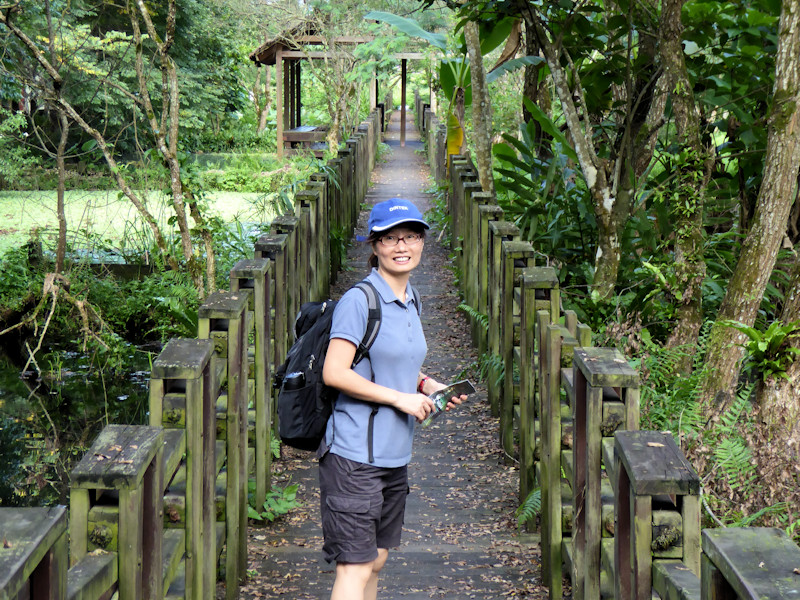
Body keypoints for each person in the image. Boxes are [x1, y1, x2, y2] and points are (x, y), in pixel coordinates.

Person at [320, 197, 467, 600]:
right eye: (390, 238)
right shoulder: (359, 301)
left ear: (422, 243)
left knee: (377, 558)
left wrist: (426, 386)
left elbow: (391, 361)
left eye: (411, 237)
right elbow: (334, 372)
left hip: (394, 454)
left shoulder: (410, 299)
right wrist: (400, 400)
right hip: (353, 455)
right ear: (374, 246)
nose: (402, 246)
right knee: (355, 565)